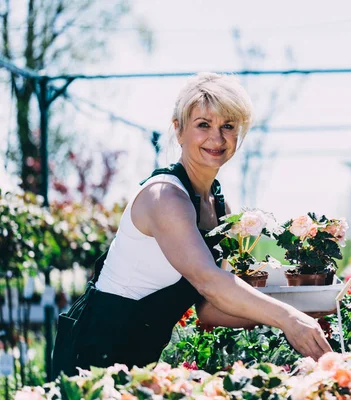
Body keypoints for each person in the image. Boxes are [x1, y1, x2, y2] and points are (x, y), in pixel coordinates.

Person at [51, 72, 332, 379]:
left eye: (228, 126)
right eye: (203, 125)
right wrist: (288, 318)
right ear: (179, 130)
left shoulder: (219, 206)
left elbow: (210, 308)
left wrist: (303, 305)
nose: (217, 138)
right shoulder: (165, 197)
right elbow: (209, 281)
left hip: (138, 360)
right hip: (95, 354)